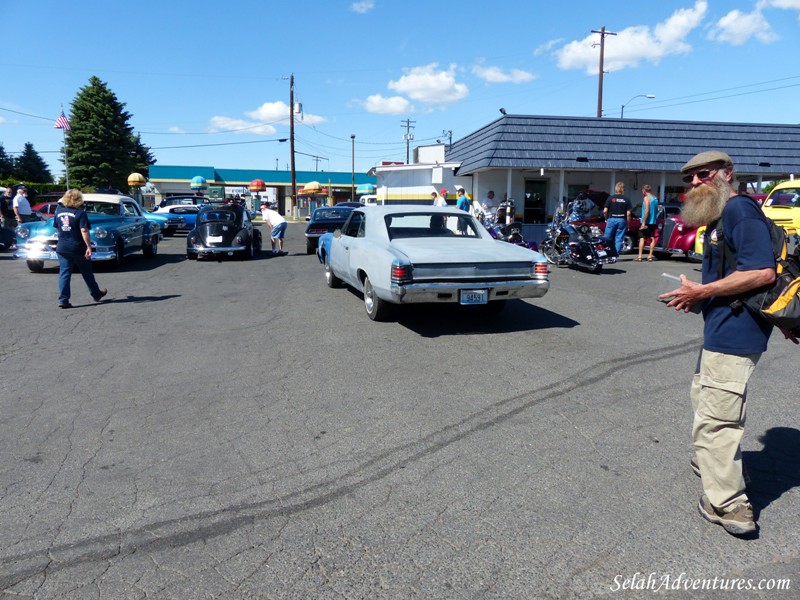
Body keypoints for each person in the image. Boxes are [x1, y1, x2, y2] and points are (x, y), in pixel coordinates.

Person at [659, 150, 789, 537]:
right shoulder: (720, 215)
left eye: (704, 174)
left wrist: (703, 291)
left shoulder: (739, 212)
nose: (696, 181)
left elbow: (762, 272)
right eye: (691, 177)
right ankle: (713, 463)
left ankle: (728, 504)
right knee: (706, 401)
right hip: (721, 330)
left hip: (735, 334)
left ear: (727, 174)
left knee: (717, 421)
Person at [53, 189, 107, 309]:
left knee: (64, 273)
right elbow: (84, 230)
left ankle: (63, 299)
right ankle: (96, 293)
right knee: (87, 272)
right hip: (77, 247)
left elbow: (57, 228)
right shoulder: (80, 213)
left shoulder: (59, 212)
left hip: (62, 247)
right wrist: (88, 246)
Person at [603, 182, 632, 254]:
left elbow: (605, 211)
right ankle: (615, 254)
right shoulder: (626, 199)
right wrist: (628, 224)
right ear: (623, 189)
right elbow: (628, 213)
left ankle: (606, 253)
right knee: (619, 238)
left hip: (611, 219)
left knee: (607, 237)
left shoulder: (610, 198)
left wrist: (606, 218)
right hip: (622, 219)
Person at [636, 184, 659, 261]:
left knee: (642, 238)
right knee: (652, 238)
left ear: (644, 191)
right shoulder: (655, 199)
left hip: (646, 221)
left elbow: (647, 210)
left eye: (642, 190)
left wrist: (643, 222)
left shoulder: (646, 198)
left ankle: (639, 256)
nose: (642, 192)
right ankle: (650, 256)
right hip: (653, 221)